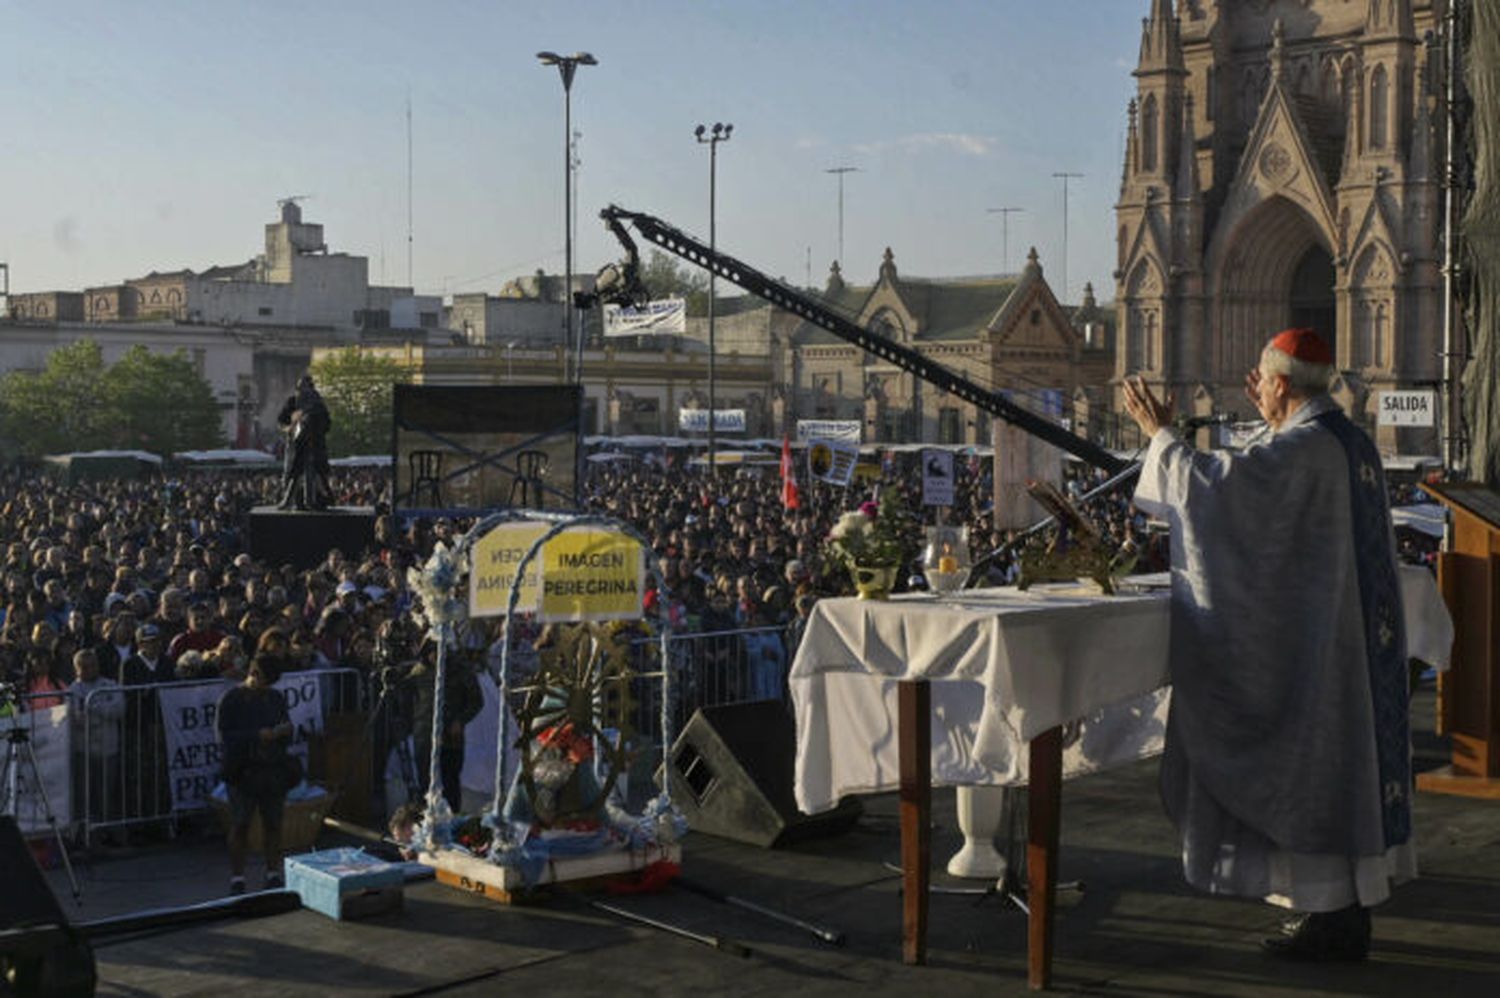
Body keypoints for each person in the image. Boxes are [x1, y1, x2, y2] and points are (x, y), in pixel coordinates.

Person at [1121, 328, 1412, 962]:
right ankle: (1339, 912)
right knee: (1338, 772)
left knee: (1316, 769)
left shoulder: (1307, 447)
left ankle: (1332, 918)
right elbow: (1263, 485)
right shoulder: (1346, 441)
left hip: (1318, 657)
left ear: (1281, 383)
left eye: (1262, 377)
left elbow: (1217, 492)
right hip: (1343, 643)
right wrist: (1270, 420)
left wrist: (1159, 436)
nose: (1256, 386)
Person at [216, 654, 296, 894]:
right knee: (240, 824)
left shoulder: (275, 698)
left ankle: (273, 873)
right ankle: (237, 878)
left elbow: (287, 729)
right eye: (255, 673)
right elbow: (224, 736)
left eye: (263, 678)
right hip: (242, 770)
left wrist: (282, 731)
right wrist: (257, 735)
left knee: (273, 823)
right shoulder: (231, 698)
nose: (256, 680)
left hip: (272, 769)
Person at [276, 373, 332, 511]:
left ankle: (309, 500)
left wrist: (314, 427)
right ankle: (288, 500)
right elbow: (281, 421)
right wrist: (291, 427)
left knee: (311, 473)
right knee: (293, 472)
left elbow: (326, 424)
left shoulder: (318, 404)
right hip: (296, 443)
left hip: (313, 443)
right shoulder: (293, 402)